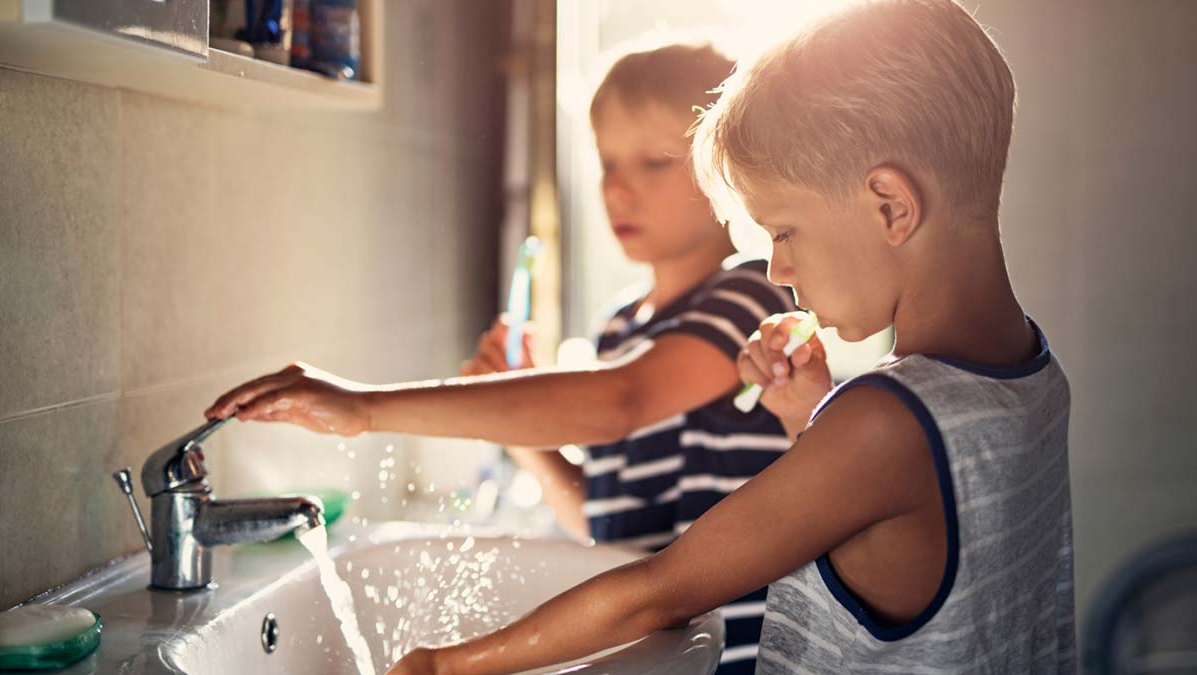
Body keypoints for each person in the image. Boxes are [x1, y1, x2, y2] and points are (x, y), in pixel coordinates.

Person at [380, 0, 1075, 672]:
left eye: (783, 230)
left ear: (891, 206)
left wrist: (444, 666)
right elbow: (908, 541)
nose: (778, 266)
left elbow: (660, 592)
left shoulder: (885, 423)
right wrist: (813, 420)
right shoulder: (1029, 373)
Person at [207, 41, 797, 675]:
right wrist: (522, 426)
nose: (618, 187)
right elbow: (597, 516)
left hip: (734, 658)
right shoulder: (621, 328)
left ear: (723, 169)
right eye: (605, 163)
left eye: (653, 162)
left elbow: (620, 402)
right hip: (659, 649)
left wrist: (363, 407)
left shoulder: (751, 295)